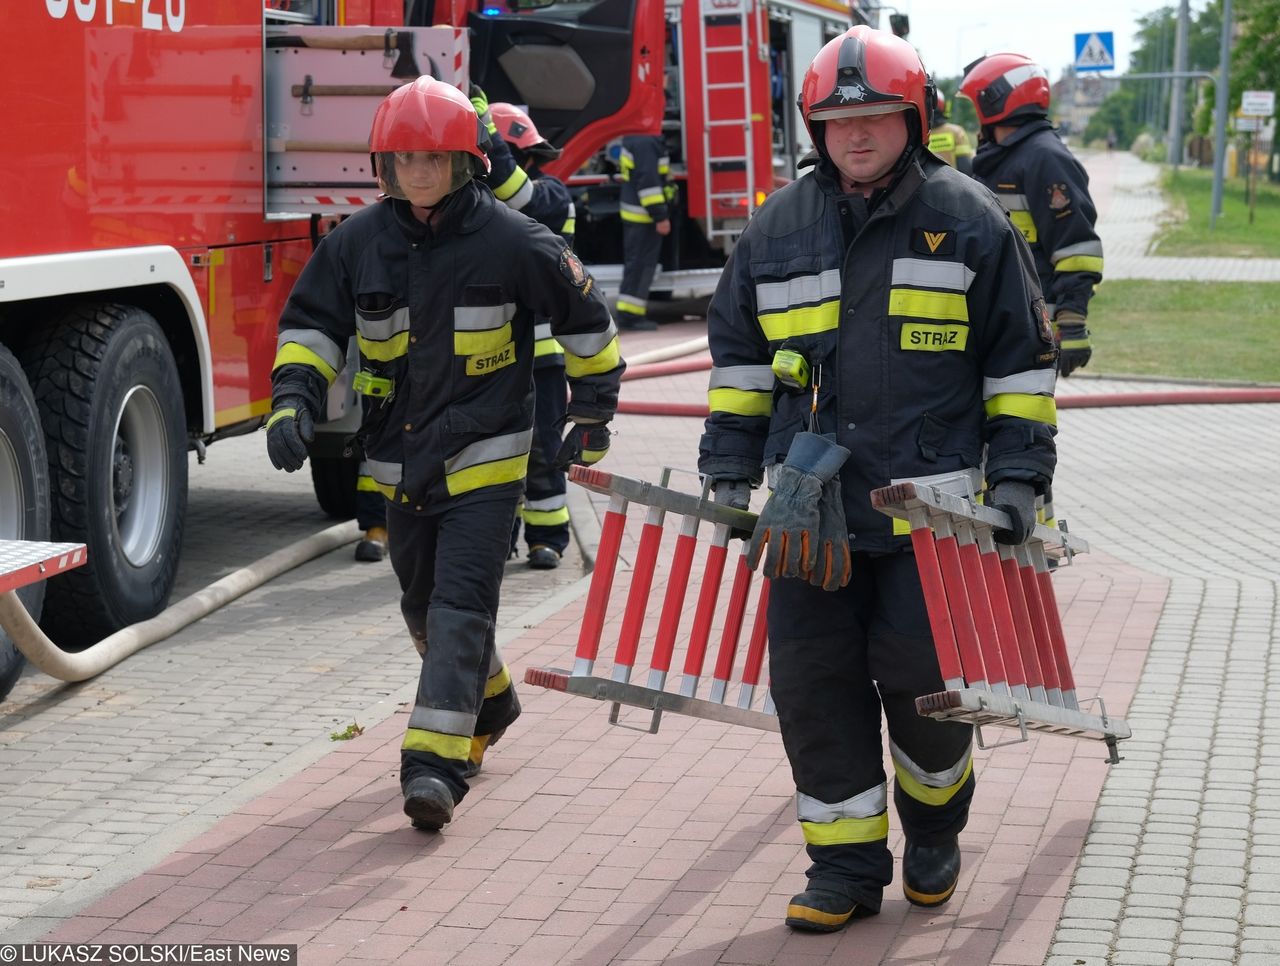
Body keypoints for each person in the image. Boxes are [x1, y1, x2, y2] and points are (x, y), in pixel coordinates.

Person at [698, 25, 1058, 932]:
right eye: (836, 119)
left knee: (926, 691)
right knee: (812, 693)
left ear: (916, 118)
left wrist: (1016, 484)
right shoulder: (776, 227)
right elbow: (740, 363)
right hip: (805, 515)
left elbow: (1019, 364)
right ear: (813, 129)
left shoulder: (971, 218)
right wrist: (729, 472)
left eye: (876, 117)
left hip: (932, 516)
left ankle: (935, 828)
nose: (855, 134)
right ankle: (845, 869)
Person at [265, 77, 624, 831]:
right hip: (398, 464)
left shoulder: (516, 241)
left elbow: (589, 323)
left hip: (487, 463)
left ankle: (432, 765)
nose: (419, 173)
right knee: (423, 608)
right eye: (404, 159)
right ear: (382, 166)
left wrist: (592, 414)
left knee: (462, 606)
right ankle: (492, 701)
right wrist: (292, 403)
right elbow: (313, 328)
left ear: (465, 162)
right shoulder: (355, 244)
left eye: (434, 157)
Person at [471, 91, 577, 569]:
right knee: (492, 451)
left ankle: (548, 536)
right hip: (486, 353)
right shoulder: (473, 210)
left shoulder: (551, 195)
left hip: (541, 356)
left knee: (543, 447)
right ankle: (501, 538)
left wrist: (488, 137)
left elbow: (521, 196)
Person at [958, 53, 1103, 379]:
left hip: (1032, 323)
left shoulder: (1045, 159)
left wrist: (1073, 320)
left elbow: (1077, 248)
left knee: (1023, 421)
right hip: (997, 317)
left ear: (994, 102)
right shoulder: (1001, 158)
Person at [615, 132, 672, 331]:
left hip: (638, 214)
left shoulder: (636, 139)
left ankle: (631, 314)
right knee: (640, 266)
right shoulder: (645, 142)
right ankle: (630, 316)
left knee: (637, 265)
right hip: (644, 216)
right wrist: (660, 215)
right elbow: (648, 183)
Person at [927, 89, 974, 175]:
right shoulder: (956, 132)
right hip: (953, 185)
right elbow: (966, 168)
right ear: (943, 107)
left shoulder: (919, 135)